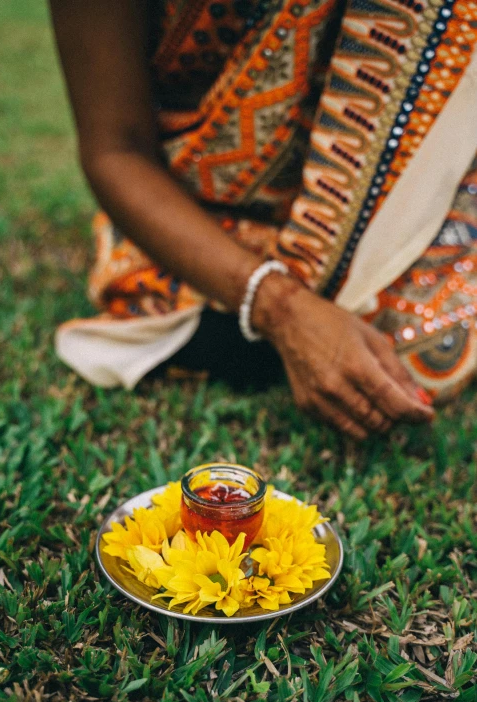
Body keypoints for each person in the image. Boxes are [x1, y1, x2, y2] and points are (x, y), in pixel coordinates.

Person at [50, 0, 477, 439]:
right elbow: (116, 150)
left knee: (419, 346)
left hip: (409, 201)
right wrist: (280, 307)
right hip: (201, 218)